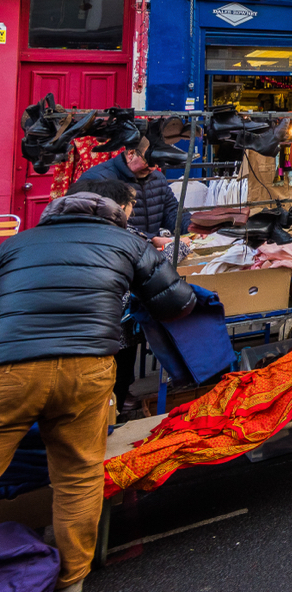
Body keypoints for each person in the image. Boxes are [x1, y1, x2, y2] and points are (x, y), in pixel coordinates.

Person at [0, 180, 194, 592]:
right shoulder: (128, 242)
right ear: (118, 208)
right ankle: (71, 581)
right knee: (77, 476)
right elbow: (178, 303)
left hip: (11, 367)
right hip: (87, 368)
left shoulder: (17, 244)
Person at [77, 138, 188, 414]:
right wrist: (175, 245)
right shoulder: (99, 181)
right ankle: (109, 399)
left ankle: (116, 394)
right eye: (150, 162)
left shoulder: (156, 180)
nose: (155, 167)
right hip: (108, 283)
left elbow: (172, 215)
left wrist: (191, 227)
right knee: (115, 338)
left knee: (126, 335)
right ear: (129, 153)